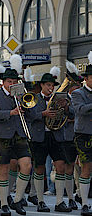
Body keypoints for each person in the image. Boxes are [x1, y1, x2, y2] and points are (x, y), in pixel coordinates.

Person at [0, 54, 32, 216]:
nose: (12, 85)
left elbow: (32, 114)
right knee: (3, 170)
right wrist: (11, 112)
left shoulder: (21, 94)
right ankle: (4, 203)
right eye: (9, 82)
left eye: (15, 82)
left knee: (27, 165)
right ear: (3, 83)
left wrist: (25, 104)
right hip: (1, 136)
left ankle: (18, 199)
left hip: (19, 134)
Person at [27, 67, 71, 213]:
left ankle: (59, 202)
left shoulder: (60, 98)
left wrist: (64, 108)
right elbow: (30, 116)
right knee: (39, 168)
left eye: (52, 85)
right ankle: (40, 201)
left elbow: (69, 115)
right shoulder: (34, 98)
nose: (51, 88)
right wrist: (43, 113)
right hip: (40, 136)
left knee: (61, 167)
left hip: (56, 135)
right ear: (42, 85)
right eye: (48, 85)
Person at [72, 51, 92, 216]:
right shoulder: (78, 93)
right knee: (86, 167)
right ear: (86, 79)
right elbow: (79, 110)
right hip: (84, 134)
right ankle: (84, 203)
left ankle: (81, 195)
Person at [64, 61, 83, 211]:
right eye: (76, 84)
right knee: (70, 167)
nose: (78, 86)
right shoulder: (64, 98)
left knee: (83, 167)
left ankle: (80, 193)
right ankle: (72, 196)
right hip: (68, 136)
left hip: (82, 135)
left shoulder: (84, 96)